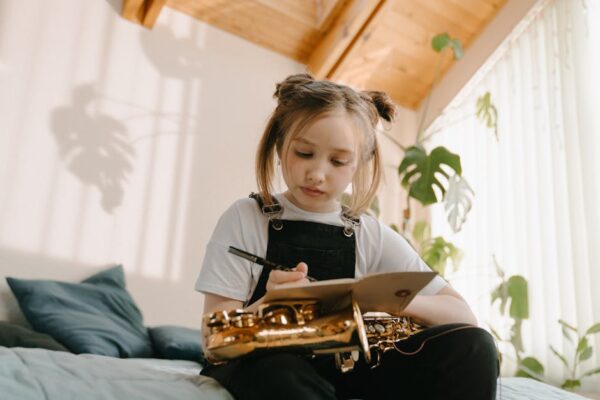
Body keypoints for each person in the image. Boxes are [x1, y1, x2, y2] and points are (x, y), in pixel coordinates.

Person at [195, 73, 498, 400]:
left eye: (338, 161)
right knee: (283, 374)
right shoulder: (245, 218)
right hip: (263, 362)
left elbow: (462, 315)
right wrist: (271, 306)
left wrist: (390, 301)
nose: (317, 174)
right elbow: (216, 339)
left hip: (344, 367)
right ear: (281, 146)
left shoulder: (370, 233)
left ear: (359, 164)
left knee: (474, 346)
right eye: (304, 153)